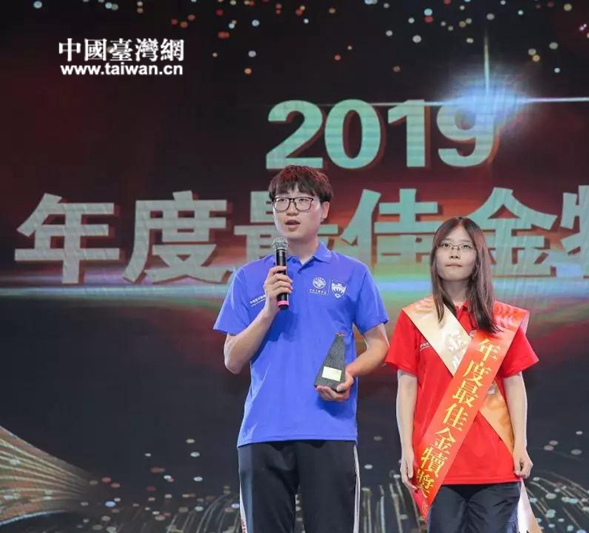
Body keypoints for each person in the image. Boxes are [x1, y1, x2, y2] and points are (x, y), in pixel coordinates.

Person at [214, 165, 389, 533]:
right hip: (263, 431)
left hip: (329, 428)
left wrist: (349, 372)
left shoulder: (352, 273)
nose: (290, 210)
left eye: (302, 201)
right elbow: (232, 359)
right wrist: (267, 310)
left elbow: (378, 345)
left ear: (324, 209)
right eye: (282, 201)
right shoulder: (250, 277)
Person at [386, 216, 541, 533]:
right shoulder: (414, 318)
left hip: (496, 463)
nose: (454, 253)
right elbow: (406, 387)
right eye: (446, 245)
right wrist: (407, 449)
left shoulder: (500, 320)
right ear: (434, 256)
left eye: (465, 247)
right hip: (439, 461)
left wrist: (521, 445)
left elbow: (514, 384)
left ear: (478, 258)